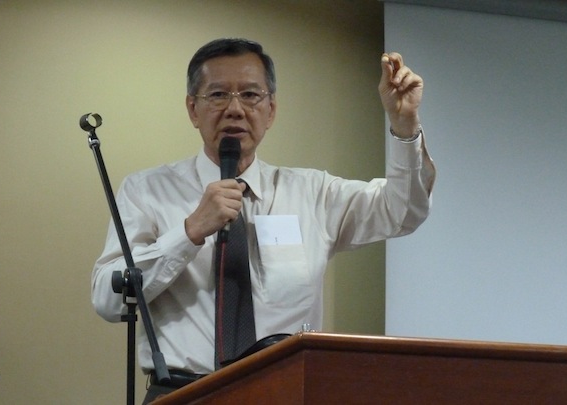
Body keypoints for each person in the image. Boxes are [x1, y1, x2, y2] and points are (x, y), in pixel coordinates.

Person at [91, 38, 435, 403]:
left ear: (271, 110)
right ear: (193, 109)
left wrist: (404, 127)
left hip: (285, 392)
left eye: (251, 95)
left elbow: (404, 211)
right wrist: (188, 232)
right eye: (218, 95)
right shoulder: (147, 191)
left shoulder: (313, 193)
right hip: (181, 393)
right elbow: (108, 299)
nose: (235, 109)